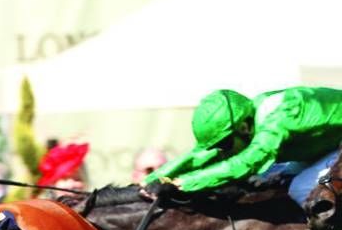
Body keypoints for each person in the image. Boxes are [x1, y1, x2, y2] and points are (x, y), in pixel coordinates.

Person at [145, 87, 342, 207]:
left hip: (336, 147)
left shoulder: (278, 120)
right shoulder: (250, 118)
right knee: (273, 184)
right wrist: (151, 180)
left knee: (300, 189)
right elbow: (199, 155)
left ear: (243, 127)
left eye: (225, 144)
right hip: (325, 148)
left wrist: (182, 183)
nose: (224, 151)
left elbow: (248, 163)